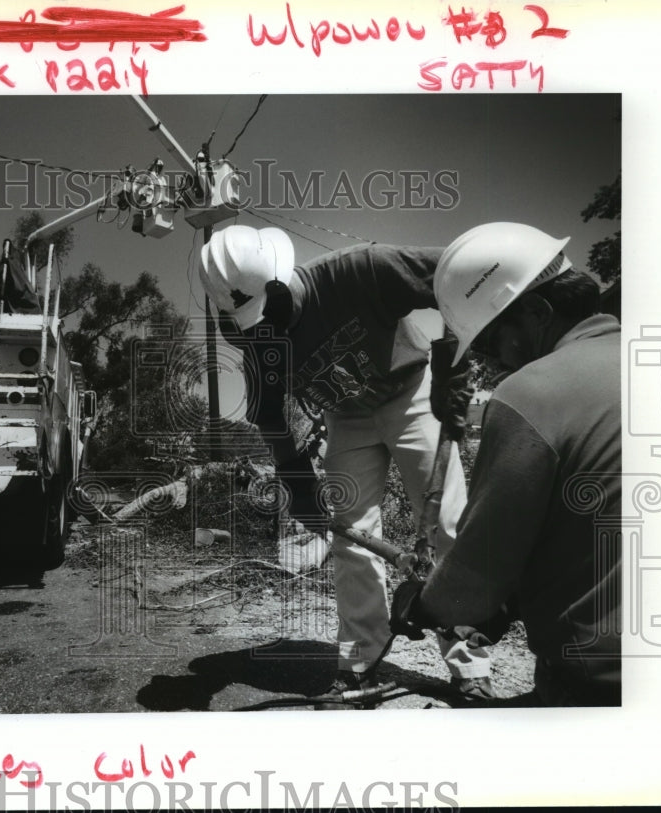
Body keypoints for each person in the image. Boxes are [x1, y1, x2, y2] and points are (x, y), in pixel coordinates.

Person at [199, 224, 494, 701]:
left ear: (281, 278)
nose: (264, 328)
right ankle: (361, 660)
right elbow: (272, 419)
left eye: (268, 310)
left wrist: (453, 361)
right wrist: (298, 487)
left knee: (447, 524)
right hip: (346, 417)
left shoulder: (361, 270)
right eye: (251, 322)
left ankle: (469, 663)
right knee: (352, 538)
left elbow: (458, 274)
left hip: (410, 392)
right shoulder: (252, 335)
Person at [391, 222, 621, 706]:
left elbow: (470, 587)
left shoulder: (531, 393)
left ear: (537, 312)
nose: (493, 362)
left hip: (602, 687)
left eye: (494, 342)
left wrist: (420, 604)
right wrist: (511, 603)